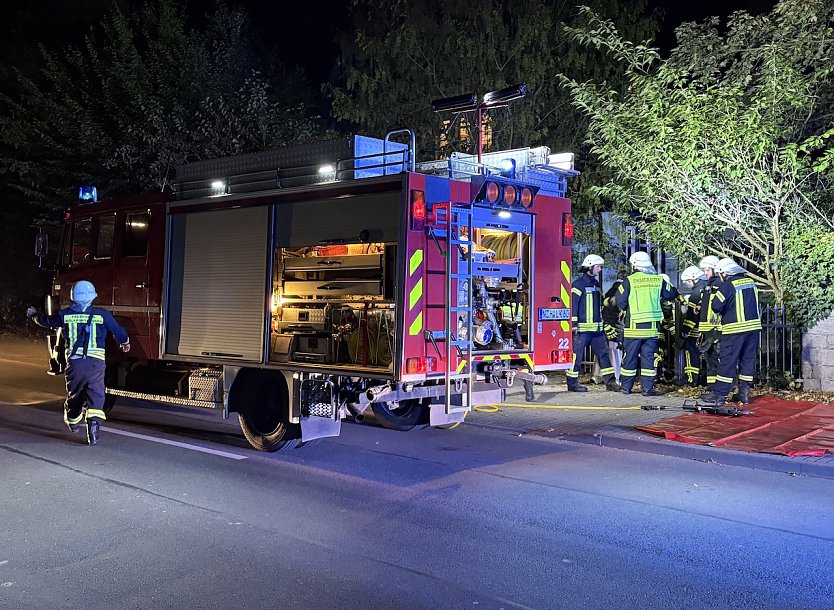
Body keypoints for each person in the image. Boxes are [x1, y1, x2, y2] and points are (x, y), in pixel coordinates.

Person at [27, 280, 130, 445]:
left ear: (73, 297)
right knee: (96, 392)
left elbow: (47, 321)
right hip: (96, 363)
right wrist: (125, 342)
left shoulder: (65, 314)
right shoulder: (102, 314)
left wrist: (33, 315)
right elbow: (118, 331)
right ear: (92, 296)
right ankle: (94, 424)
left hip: (75, 363)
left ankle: (74, 422)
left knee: (75, 394)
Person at [615, 251, 676, 396]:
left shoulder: (630, 280)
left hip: (633, 328)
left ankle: (626, 387)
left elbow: (621, 301)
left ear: (635, 265)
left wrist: (627, 308)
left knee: (629, 358)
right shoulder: (657, 280)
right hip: (652, 329)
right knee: (649, 359)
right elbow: (671, 294)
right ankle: (648, 389)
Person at [703, 257, 762, 406]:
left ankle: (719, 395)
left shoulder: (728, 285)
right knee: (747, 360)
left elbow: (716, 306)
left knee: (727, 360)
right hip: (753, 329)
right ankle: (744, 394)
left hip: (734, 329)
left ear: (725, 272)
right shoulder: (750, 282)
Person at [567, 255, 621, 392]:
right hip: (582, 331)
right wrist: (573, 325)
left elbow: (599, 305)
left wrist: (609, 302)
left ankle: (610, 382)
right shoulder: (578, 285)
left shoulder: (596, 285)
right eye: (598, 266)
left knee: (603, 355)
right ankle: (573, 384)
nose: (600, 269)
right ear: (590, 266)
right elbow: (573, 304)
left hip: (596, 330)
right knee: (576, 357)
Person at [692, 255, 722, 391]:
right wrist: (700, 306)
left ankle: (719, 387)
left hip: (715, 329)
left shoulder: (719, 285)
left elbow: (718, 306)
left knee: (716, 359)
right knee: (710, 360)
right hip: (707, 329)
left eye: (707, 270)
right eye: (704, 270)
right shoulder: (709, 285)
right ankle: (712, 386)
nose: (705, 273)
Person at [679, 265, 707, 386]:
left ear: (693, 279)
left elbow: (691, 316)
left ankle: (692, 380)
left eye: (687, 281)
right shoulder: (707, 288)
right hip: (709, 329)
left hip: (696, 331)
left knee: (691, 352)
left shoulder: (695, 294)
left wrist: (685, 331)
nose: (687, 284)